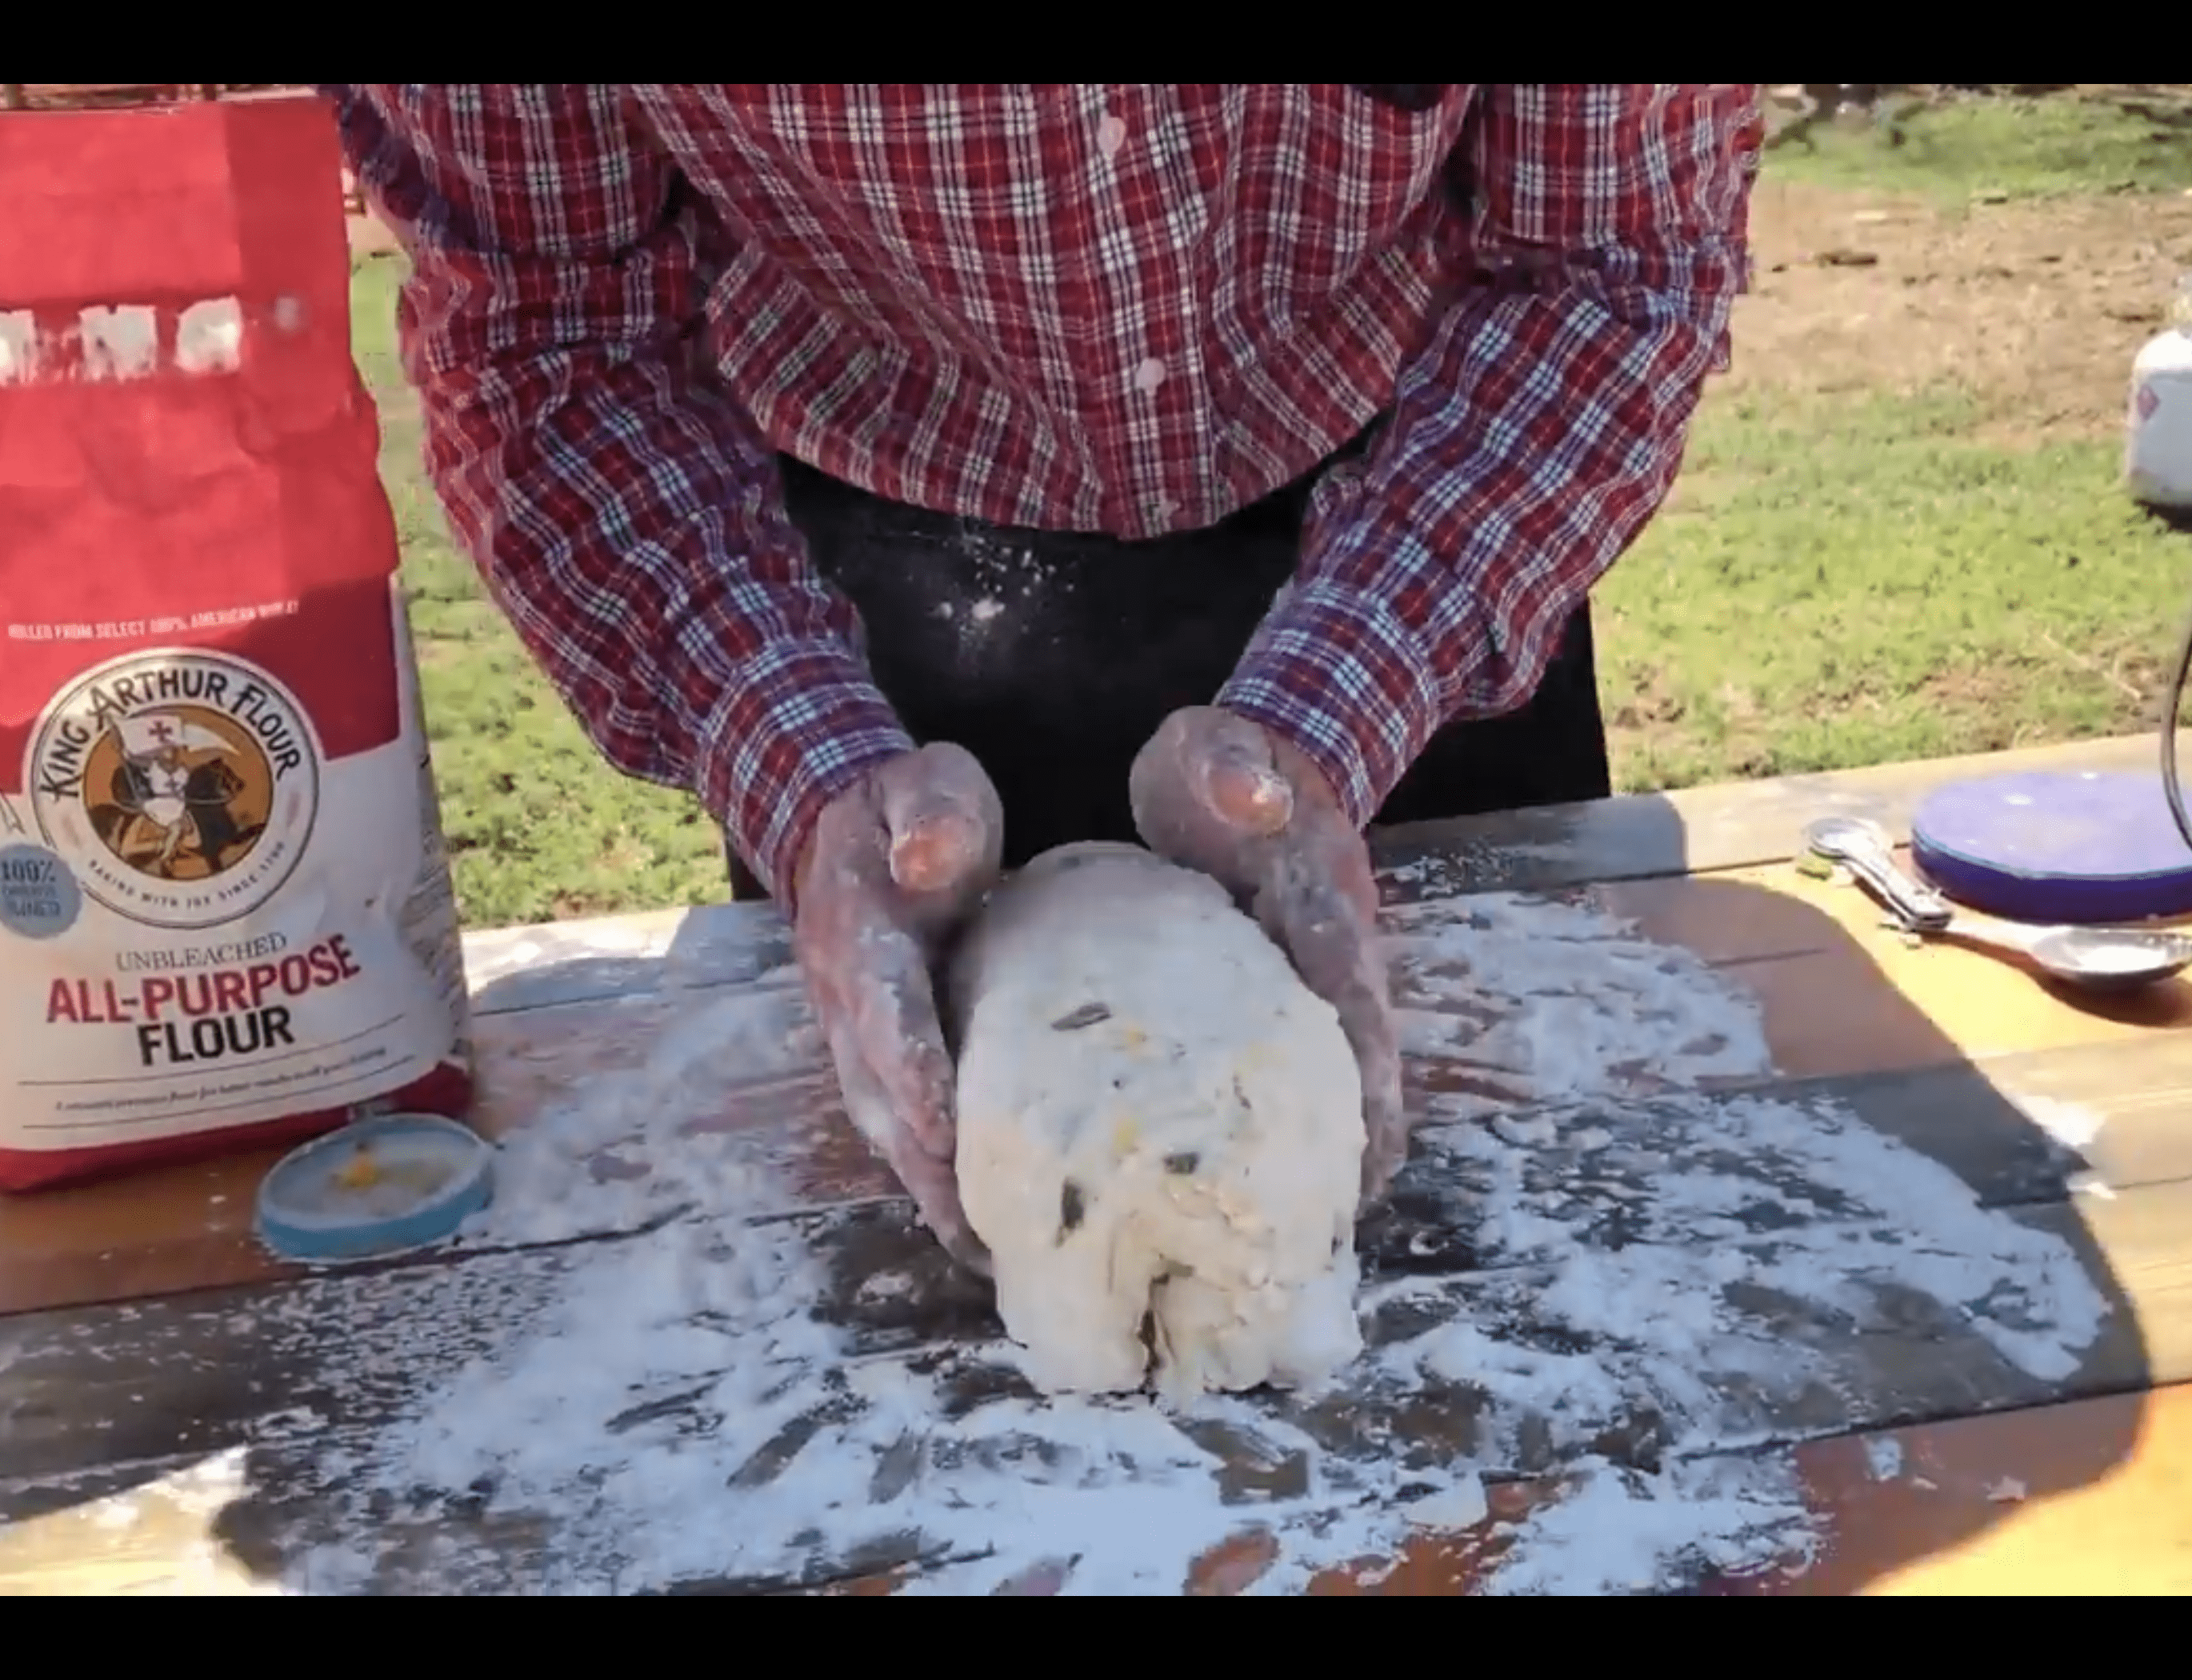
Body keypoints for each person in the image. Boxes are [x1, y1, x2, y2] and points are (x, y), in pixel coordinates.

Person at [325, 83, 1760, 1271]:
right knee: (939, 1214)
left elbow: (1609, 260)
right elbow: (550, 331)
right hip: (854, 572)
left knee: (1509, 1256)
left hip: (1418, 510)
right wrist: (807, 766)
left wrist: (1333, 713)